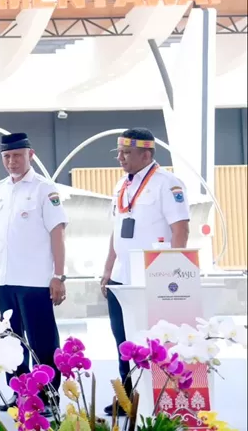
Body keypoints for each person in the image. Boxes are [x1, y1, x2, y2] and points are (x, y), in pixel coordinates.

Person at [100, 128, 190, 416]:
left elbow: (180, 230)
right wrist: (107, 270)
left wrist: (173, 272)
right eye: (119, 152)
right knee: (123, 341)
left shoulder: (168, 184)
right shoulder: (120, 186)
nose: (121, 158)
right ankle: (126, 399)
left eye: (127, 153)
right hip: (121, 277)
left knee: (154, 341)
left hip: (154, 279)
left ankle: (161, 397)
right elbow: (116, 232)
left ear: (146, 154)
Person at [0, 133, 68, 416]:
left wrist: (59, 275)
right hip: (4, 280)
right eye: (6, 157)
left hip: (35, 280)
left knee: (42, 340)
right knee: (10, 341)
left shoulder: (45, 189)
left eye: (17, 155)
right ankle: (20, 393)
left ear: (30, 155)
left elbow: (57, 233)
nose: (11, 161)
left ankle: (48, 395)